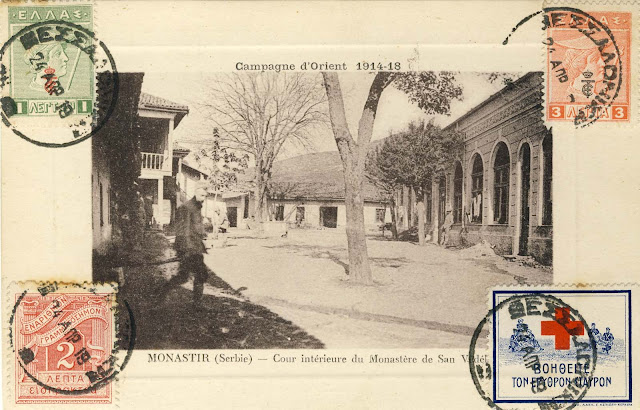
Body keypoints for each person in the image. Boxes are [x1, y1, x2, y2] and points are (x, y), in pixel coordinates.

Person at [158, 182, 209, 308]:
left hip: (194, 247)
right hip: (189, 248)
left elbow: (195, 227)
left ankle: (159, 294)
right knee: (193, 275)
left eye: (205, 196)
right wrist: (187, 250)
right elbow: (183, 231)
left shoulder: (197, 207)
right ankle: (160, 295)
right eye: (202, 195)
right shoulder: (186, 207)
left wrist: (203, 234)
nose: (204, 198)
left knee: (187, 276)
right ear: (196, 191)